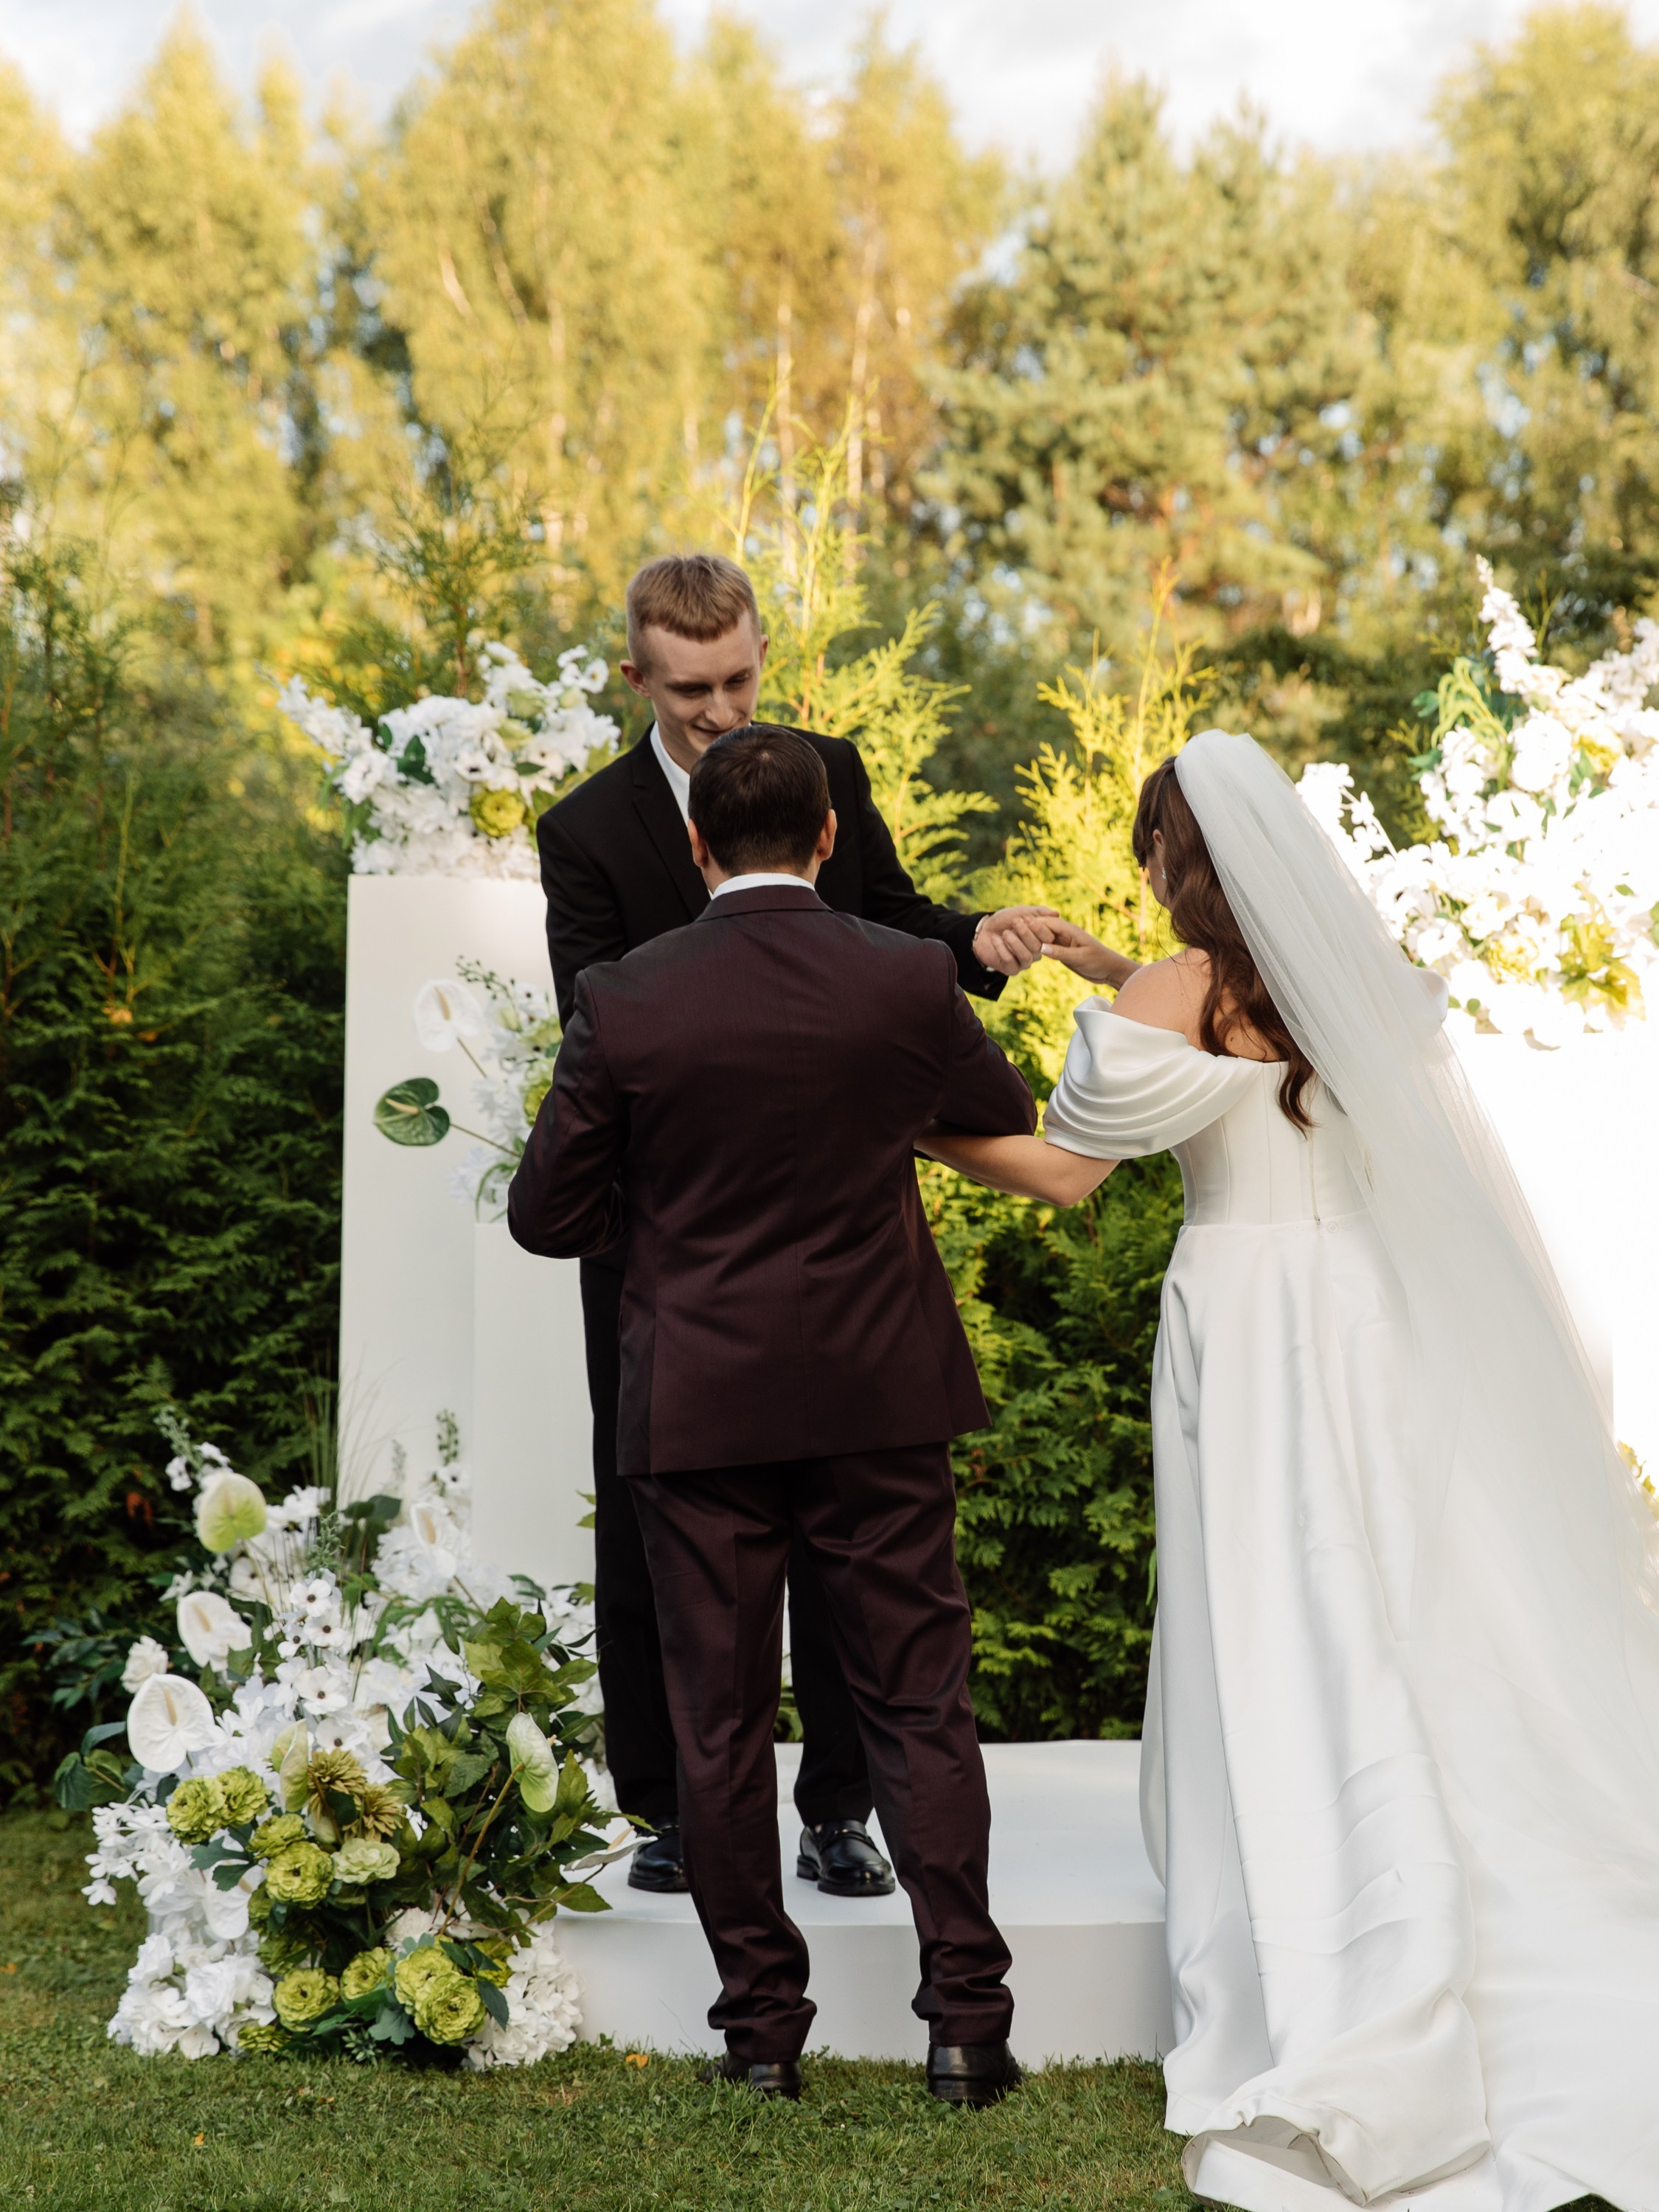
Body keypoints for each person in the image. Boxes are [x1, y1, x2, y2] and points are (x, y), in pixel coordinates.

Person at [922, 731, 1659, 2212]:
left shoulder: (1174, 993)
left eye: (1150, 859)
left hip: (1248, 1327)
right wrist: (1101, 966)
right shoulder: (1345, 982)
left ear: (1179, 863)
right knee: (1384, 1604)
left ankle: (1324, 1921)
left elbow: (1069, 1165)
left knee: (1264, 1610)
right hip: (1368, 1321)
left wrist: (911, 1130)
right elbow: (1238, 1059)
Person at [536, 551, 1082, 1898]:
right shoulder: (589, 830)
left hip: (835, 1236)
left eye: (737, 679)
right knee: (641, 1529)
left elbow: (885, 927)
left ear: (761, 657)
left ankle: (837, 1812)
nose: (721, 712)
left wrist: (976, 938)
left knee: (850, 1547)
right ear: (637, 678)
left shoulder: (820, 772)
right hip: (663, 1252)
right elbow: (591, 1019)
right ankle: (665, 1809)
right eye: (689, 689)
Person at [509, 725, 1037, 2104]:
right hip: (877, 1388)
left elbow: (545, 1213)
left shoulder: (627, 997)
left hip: (698, 1401)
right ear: (825, 840)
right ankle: (967, 2026)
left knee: (721, 1723)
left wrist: (674, 1224)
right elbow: (994, 1111)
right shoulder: (909, 976)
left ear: (695, 850)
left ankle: (759, 2039)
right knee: (920, 1701)